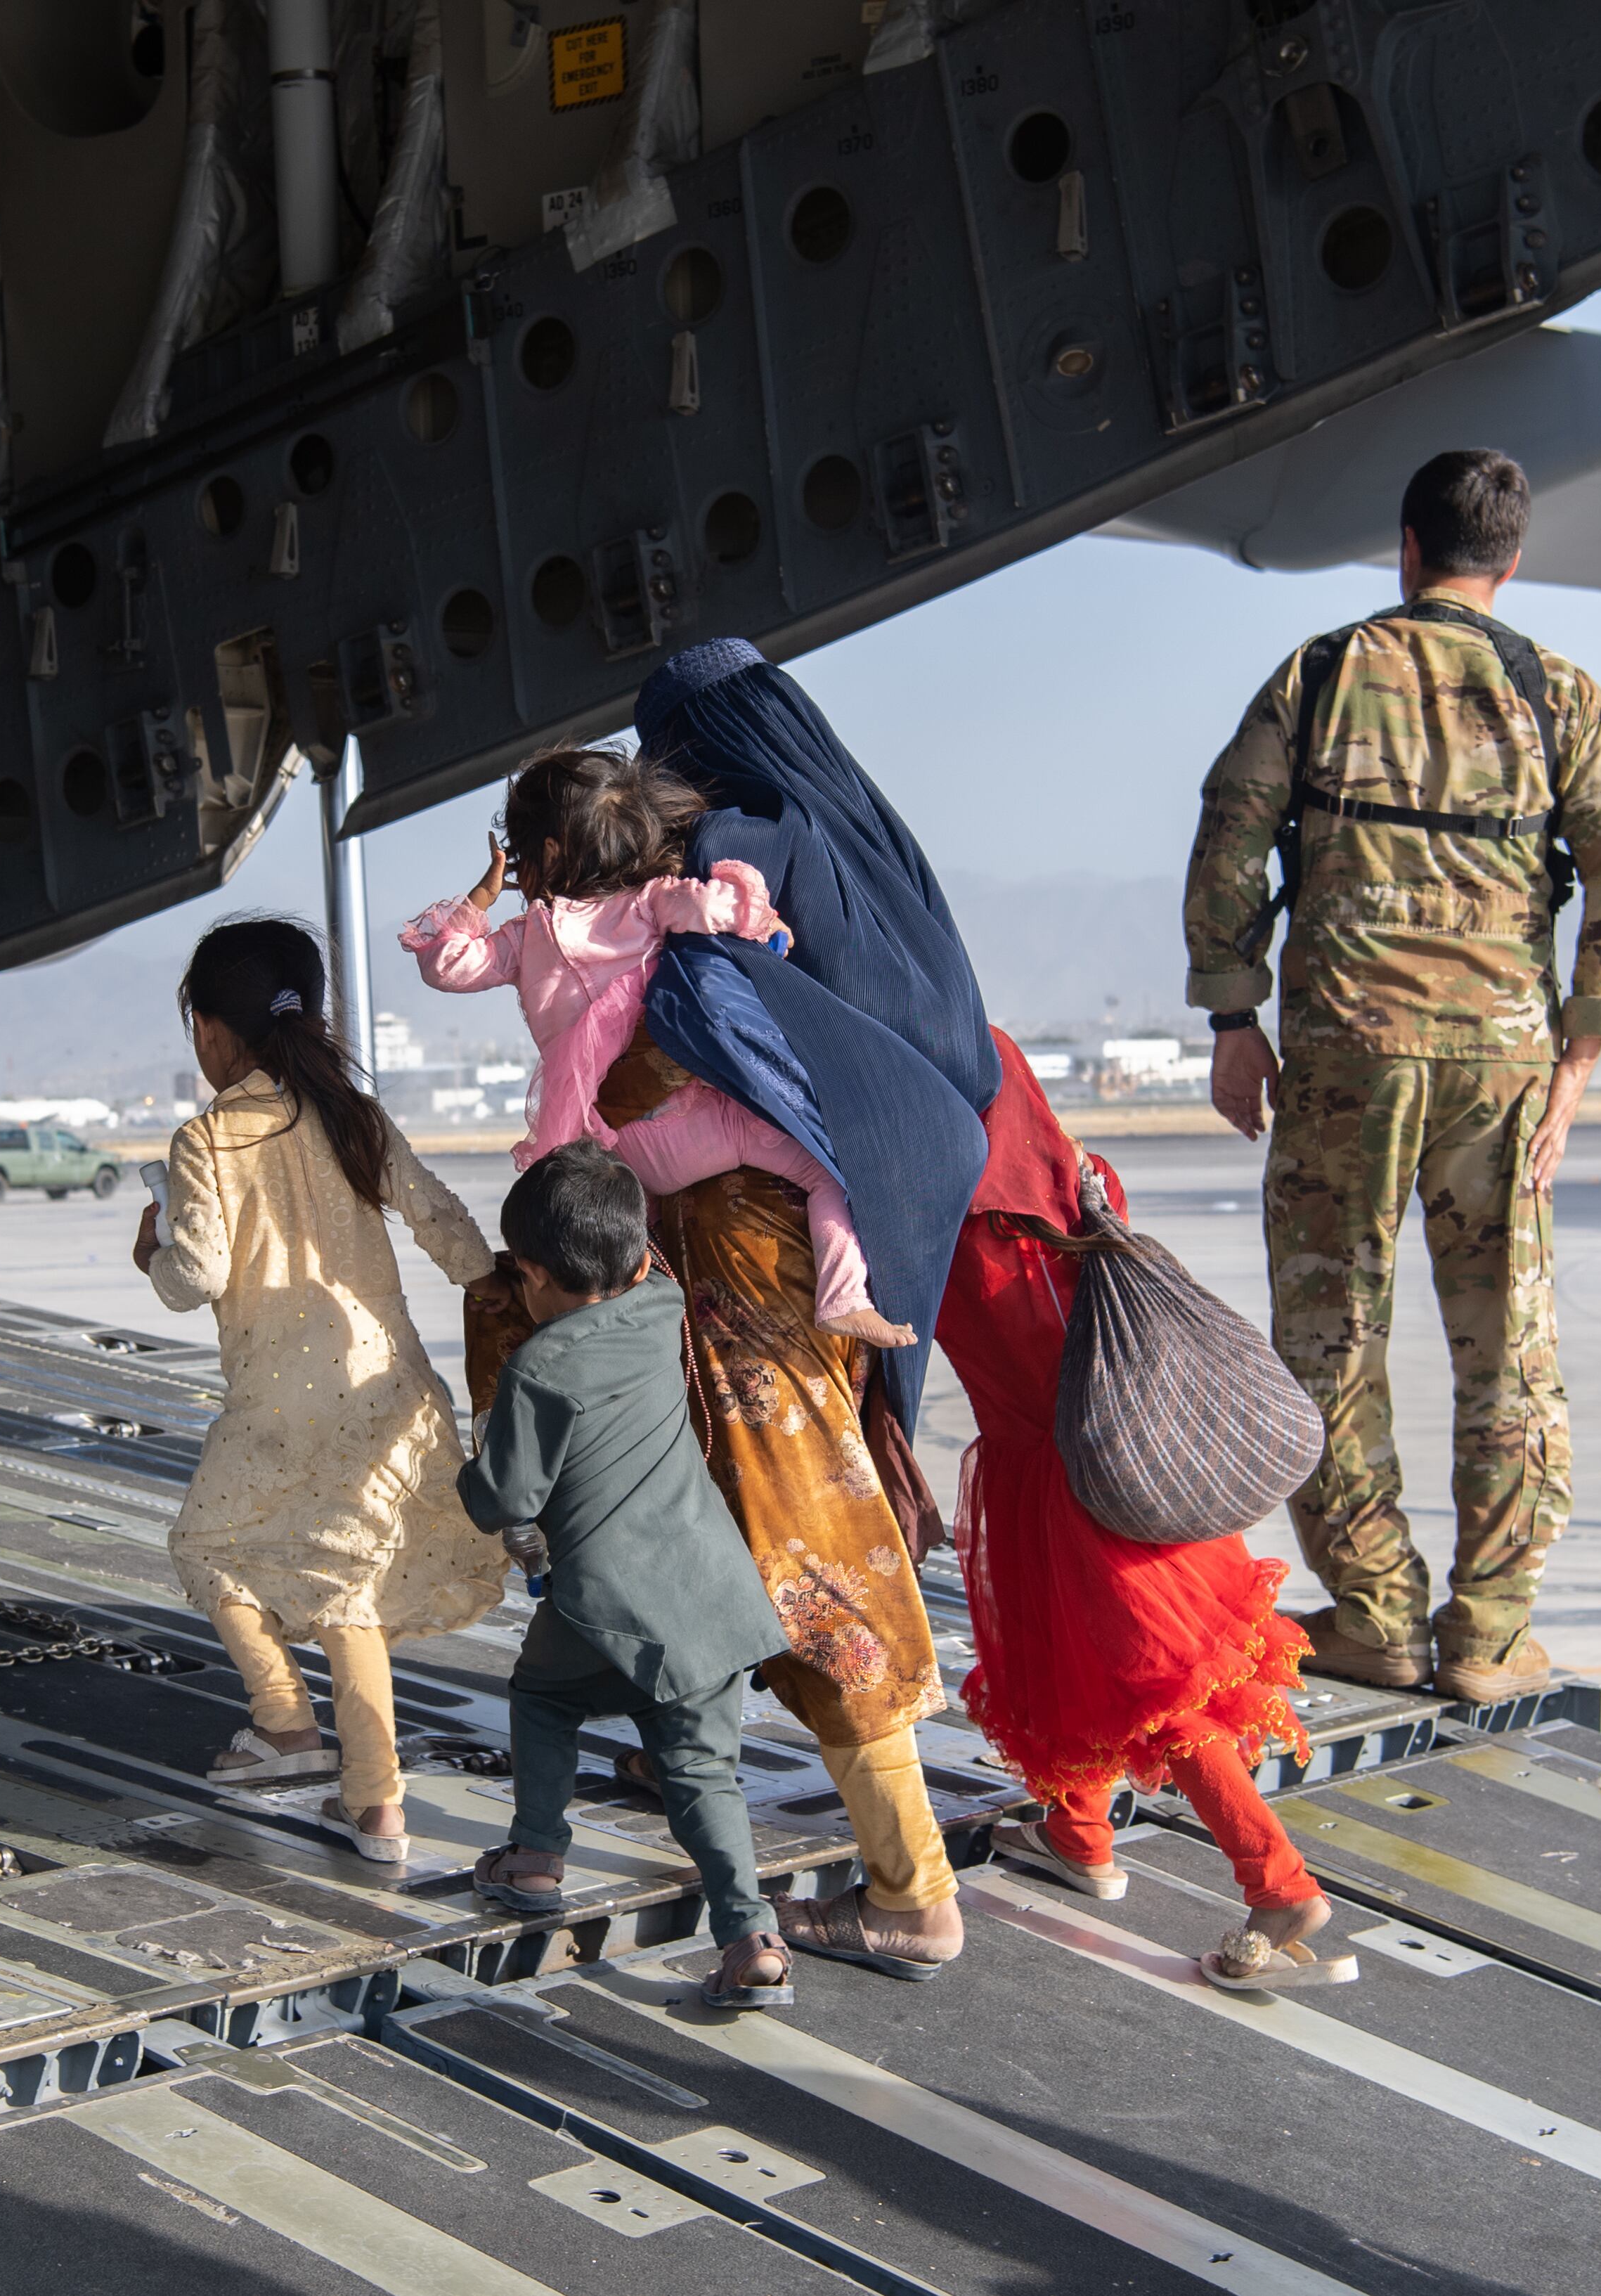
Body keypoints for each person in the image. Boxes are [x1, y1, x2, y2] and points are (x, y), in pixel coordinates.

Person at [471, 637, 993, 1980]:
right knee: (704, 1500)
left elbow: (709, 1036)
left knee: (801, 1536)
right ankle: (667, 1743)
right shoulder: (846, 839)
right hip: (775, 1227)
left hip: (743, 1252)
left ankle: (910, 1891)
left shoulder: (734, 855)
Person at [1184, 448, 1601, 1705]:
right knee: (1506, 1349)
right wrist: (1577, 1058)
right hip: (1497, 1064)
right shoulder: (1560, 694)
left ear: (1404, 548)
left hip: (1343, 1054)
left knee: (1328, 1341)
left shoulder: (1321, 671)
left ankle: (1375, 1612)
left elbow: (1231, 830)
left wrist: (1233, 1017)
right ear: (1508, 560)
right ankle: (1488, 1634)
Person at [939, 1036, 1347, 1990]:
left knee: (1156, 1689)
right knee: (1080, 1659)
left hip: (1066, 1490)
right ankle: (1076, 1833)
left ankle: (1275, 1879)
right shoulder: (1079, 1179)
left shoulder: (951, 1227)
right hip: (1136, 1468)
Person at [132, 917, 505, 1864]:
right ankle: (373, 1804)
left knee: (207, 1545)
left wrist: (152, 1252)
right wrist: (494, 1285)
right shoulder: (352, 1113)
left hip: (277, 1400)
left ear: (210, 1031)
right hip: (387, 1385)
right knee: (350, 1591)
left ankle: (284, 1721)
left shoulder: (205, 1140)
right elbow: (440, 1219)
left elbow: (198, 1276)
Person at [401, 746, 911, 1343]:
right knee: (827, 1176)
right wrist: (764, 925)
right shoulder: (648, 901)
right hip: (707, 1127)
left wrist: (481, 897)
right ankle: (843, 1296)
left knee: (627, 1245)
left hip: (621, 1154)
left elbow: (448, 968)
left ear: (546, 854)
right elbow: (716, 906)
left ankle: (634, 1334)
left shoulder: (522, 938)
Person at [462, 1143, 796, 2011]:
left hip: (607, 1607)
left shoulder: (540, 1368)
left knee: (543, 1699)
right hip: (713, 1593)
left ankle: (535, 1856)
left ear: (532, 1271)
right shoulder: (661, 1299)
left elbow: (504, 1497)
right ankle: (751, 1933)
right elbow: (615, 1270)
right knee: (701, 1771)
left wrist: (470, 1454)